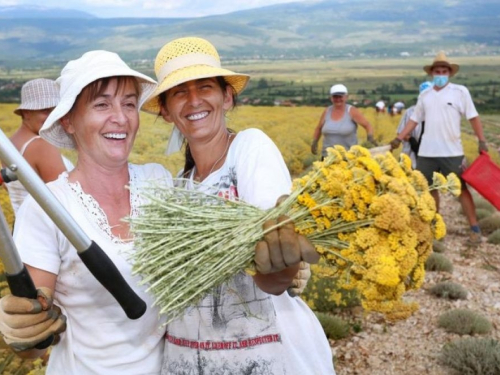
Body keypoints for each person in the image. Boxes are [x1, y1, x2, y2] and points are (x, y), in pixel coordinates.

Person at [0, 50, 316, 374]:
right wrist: (20, 329)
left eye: (128, 103)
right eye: (102, 104)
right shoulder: (46, 210)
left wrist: (282, 265)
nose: (120, 118)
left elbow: (219, 249)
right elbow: (35, 338)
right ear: (68, 121)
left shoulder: (160, 183)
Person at [142, 36, 335, 375]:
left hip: (263, 355)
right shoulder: (176, 187)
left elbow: (273, 247)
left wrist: (285, 267)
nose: (193, 101)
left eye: (205, 88)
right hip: (190, 360)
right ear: (166, 111)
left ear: (227, 97)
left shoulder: (249, 147)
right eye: (179, 93)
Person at [390, 51, 488, 245]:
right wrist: (399, 138)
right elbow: (414, 119)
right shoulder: (425, 95)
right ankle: (434, 226)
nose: (440, 73)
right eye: (437, 71)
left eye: (444, 70)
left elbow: (473, 117)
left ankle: (474, 227)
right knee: (427, 189)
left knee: (460, 190)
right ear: (432, 73)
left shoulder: (460, 92)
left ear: (450, 73)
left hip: (452, 151)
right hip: (427, 152)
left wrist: (482, 140)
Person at [4, 79, 74, 215]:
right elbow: (66, 198)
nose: (52, 117)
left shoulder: (10, 144)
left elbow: (12, 189)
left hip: (21, 230)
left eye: (56, 111)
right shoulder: (41, 145)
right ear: (26, 113)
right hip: (48, 232)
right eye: (45, 110)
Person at [311, 83, 376, 159]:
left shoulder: (352, 111)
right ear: (331, 98)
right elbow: (318, 128)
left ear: (346, 97)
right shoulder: (327, 111)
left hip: (347, 157)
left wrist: (370, 137)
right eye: (335, 97)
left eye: (340, 97)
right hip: (327, 157)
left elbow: (367, 125)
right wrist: (315, 141)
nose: (338, 99)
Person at [396, 81, 433, 168]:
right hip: (410, 154)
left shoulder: (438, 113)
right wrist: (411, 140)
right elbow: (400, 132)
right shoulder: (410, 112)